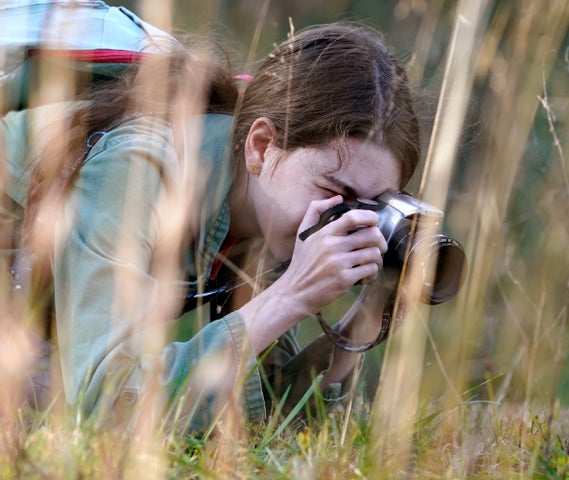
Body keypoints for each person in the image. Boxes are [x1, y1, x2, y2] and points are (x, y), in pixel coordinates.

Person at [1, 22, 420, 432]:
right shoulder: (137, 167)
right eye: (333, 189)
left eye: (373, 205)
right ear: (260, 146)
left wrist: (363, 320)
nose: (347, 219)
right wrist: (288, 297)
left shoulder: (264, 214)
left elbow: (264, 414)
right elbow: (104, 403)